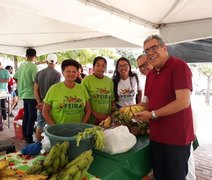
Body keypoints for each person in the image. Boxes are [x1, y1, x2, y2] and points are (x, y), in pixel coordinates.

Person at [135, 35, 195, 180]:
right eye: (147, 50)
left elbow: (183, 102)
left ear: (164, 48)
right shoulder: (150, 75)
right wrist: (132, 109)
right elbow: (149, 103)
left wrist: (152, 115)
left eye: (154, 47)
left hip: (176, 138)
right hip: (156, 137)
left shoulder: (179, 66)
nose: (150, 53)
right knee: (160, 176)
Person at [42, 59, 91, 124]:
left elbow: (88, 110)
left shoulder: (82, 89)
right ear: (63, 72)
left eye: (74, 72)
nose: (71, 74)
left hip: (78, 130)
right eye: (68, 71)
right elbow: (45, 111)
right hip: (59, 131)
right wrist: (53, 126)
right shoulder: (54, 89)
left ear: (77, 73)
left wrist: (82, 124)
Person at [34, 54, 61, 142]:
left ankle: (38, 145)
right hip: (51, 104)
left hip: (41, 103)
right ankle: (50, 145)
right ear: (56, 62)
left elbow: (35, 90)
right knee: (51, 125)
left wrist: (39, 103)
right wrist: (45, 104)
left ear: (46, 61)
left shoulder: (38, 73)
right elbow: (54, 92)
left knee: (40, 125)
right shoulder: (57, 74)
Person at [14, 48, 38, 144]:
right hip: (31, 94)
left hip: (23, 93)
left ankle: (25, 134)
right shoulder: (33, 66)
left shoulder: (22, 65)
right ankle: (28, 137)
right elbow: (35, 81)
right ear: (35, 56)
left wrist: (22, 85)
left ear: (26, 55)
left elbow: (15, 77)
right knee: (32, 116)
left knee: (27, 115)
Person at [81, 56, 115, 125]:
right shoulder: (86, 80)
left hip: (106, 119)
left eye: (103, 66)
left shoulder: (109, 81)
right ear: (93, 67)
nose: (100, 68)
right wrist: (96, 114)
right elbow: (83, 102)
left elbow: (112, 100)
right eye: (98, 65)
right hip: (91, 119)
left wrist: (111, 114)